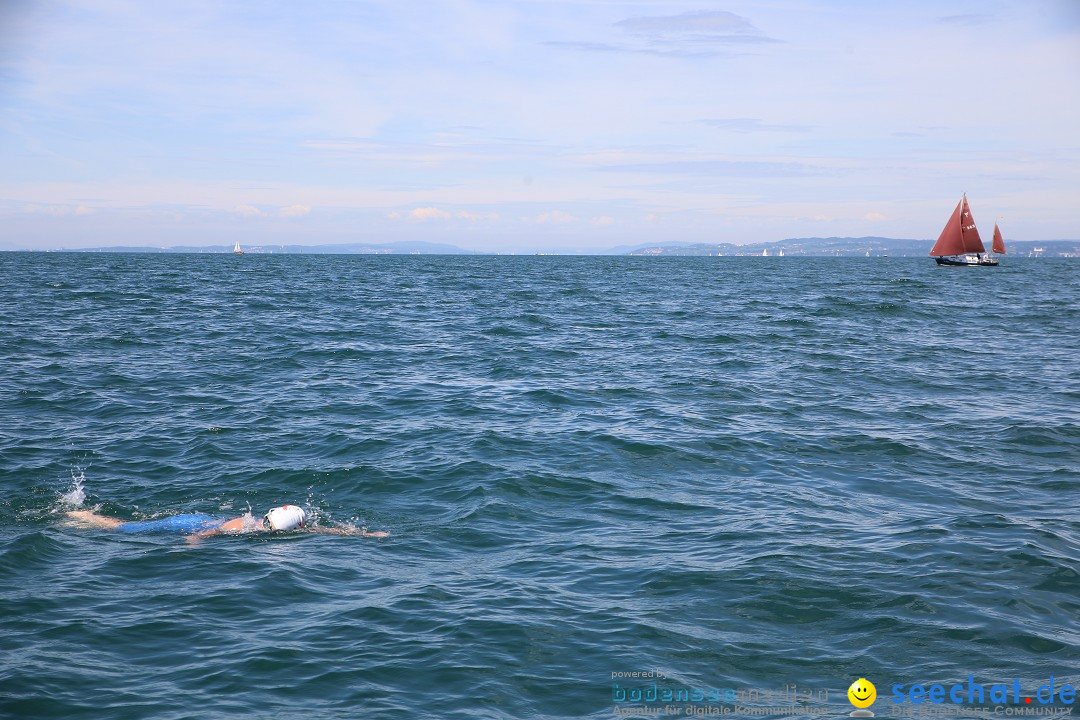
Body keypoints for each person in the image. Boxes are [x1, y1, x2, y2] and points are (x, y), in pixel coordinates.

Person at [65, 504, 389, 540]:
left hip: (205, 520)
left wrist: (364, 534)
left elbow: (323, 529)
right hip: (188, 524)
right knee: (124, 528)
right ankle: (84, 515)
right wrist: (191, 545)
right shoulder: (243, 527)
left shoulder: (266, 524)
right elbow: (212, 531)